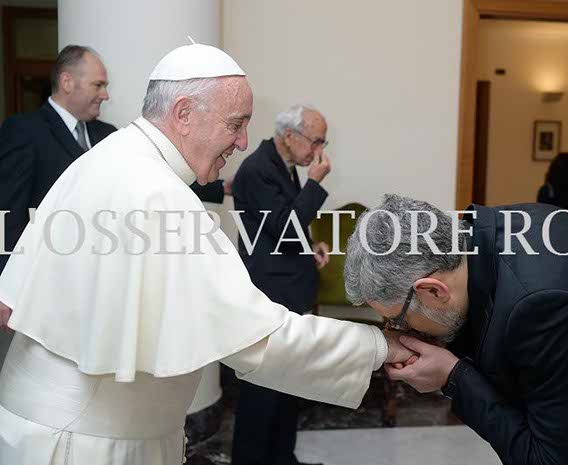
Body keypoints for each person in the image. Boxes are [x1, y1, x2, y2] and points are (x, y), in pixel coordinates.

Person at [0, 43, 412, 465]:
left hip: (47, 425)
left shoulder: (109, 156)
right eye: (235, 124)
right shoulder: (159, 194)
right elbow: (258, 340)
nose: (243, 142)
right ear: (183, 113)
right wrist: (380, 347)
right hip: (86, 442)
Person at [344, 194, 568, 465]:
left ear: (433, 291)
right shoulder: (483, 234)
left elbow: (550, 459)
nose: (397, 329)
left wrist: (453, 378)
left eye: (398, 319)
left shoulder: (546, 307)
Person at [230, 104, 331, 465]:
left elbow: (281, 229)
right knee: (263, 391)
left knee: (288, 384)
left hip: (288, 292)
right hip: (270, 296)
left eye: (322, 142)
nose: (319, 150)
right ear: (290, 135)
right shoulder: (258, 169)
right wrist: (315, 183)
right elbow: (286, 229)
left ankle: (282, 458)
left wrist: (310, 245)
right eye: (315, 141)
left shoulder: (282, 166)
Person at [0, 45, 115, 275]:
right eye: (98, 85)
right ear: (67, 82)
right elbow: (9, 215)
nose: (105, 95)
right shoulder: (24, 131)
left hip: (100, 274)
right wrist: (9, 282)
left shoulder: (109, 135)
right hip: (44, 275)